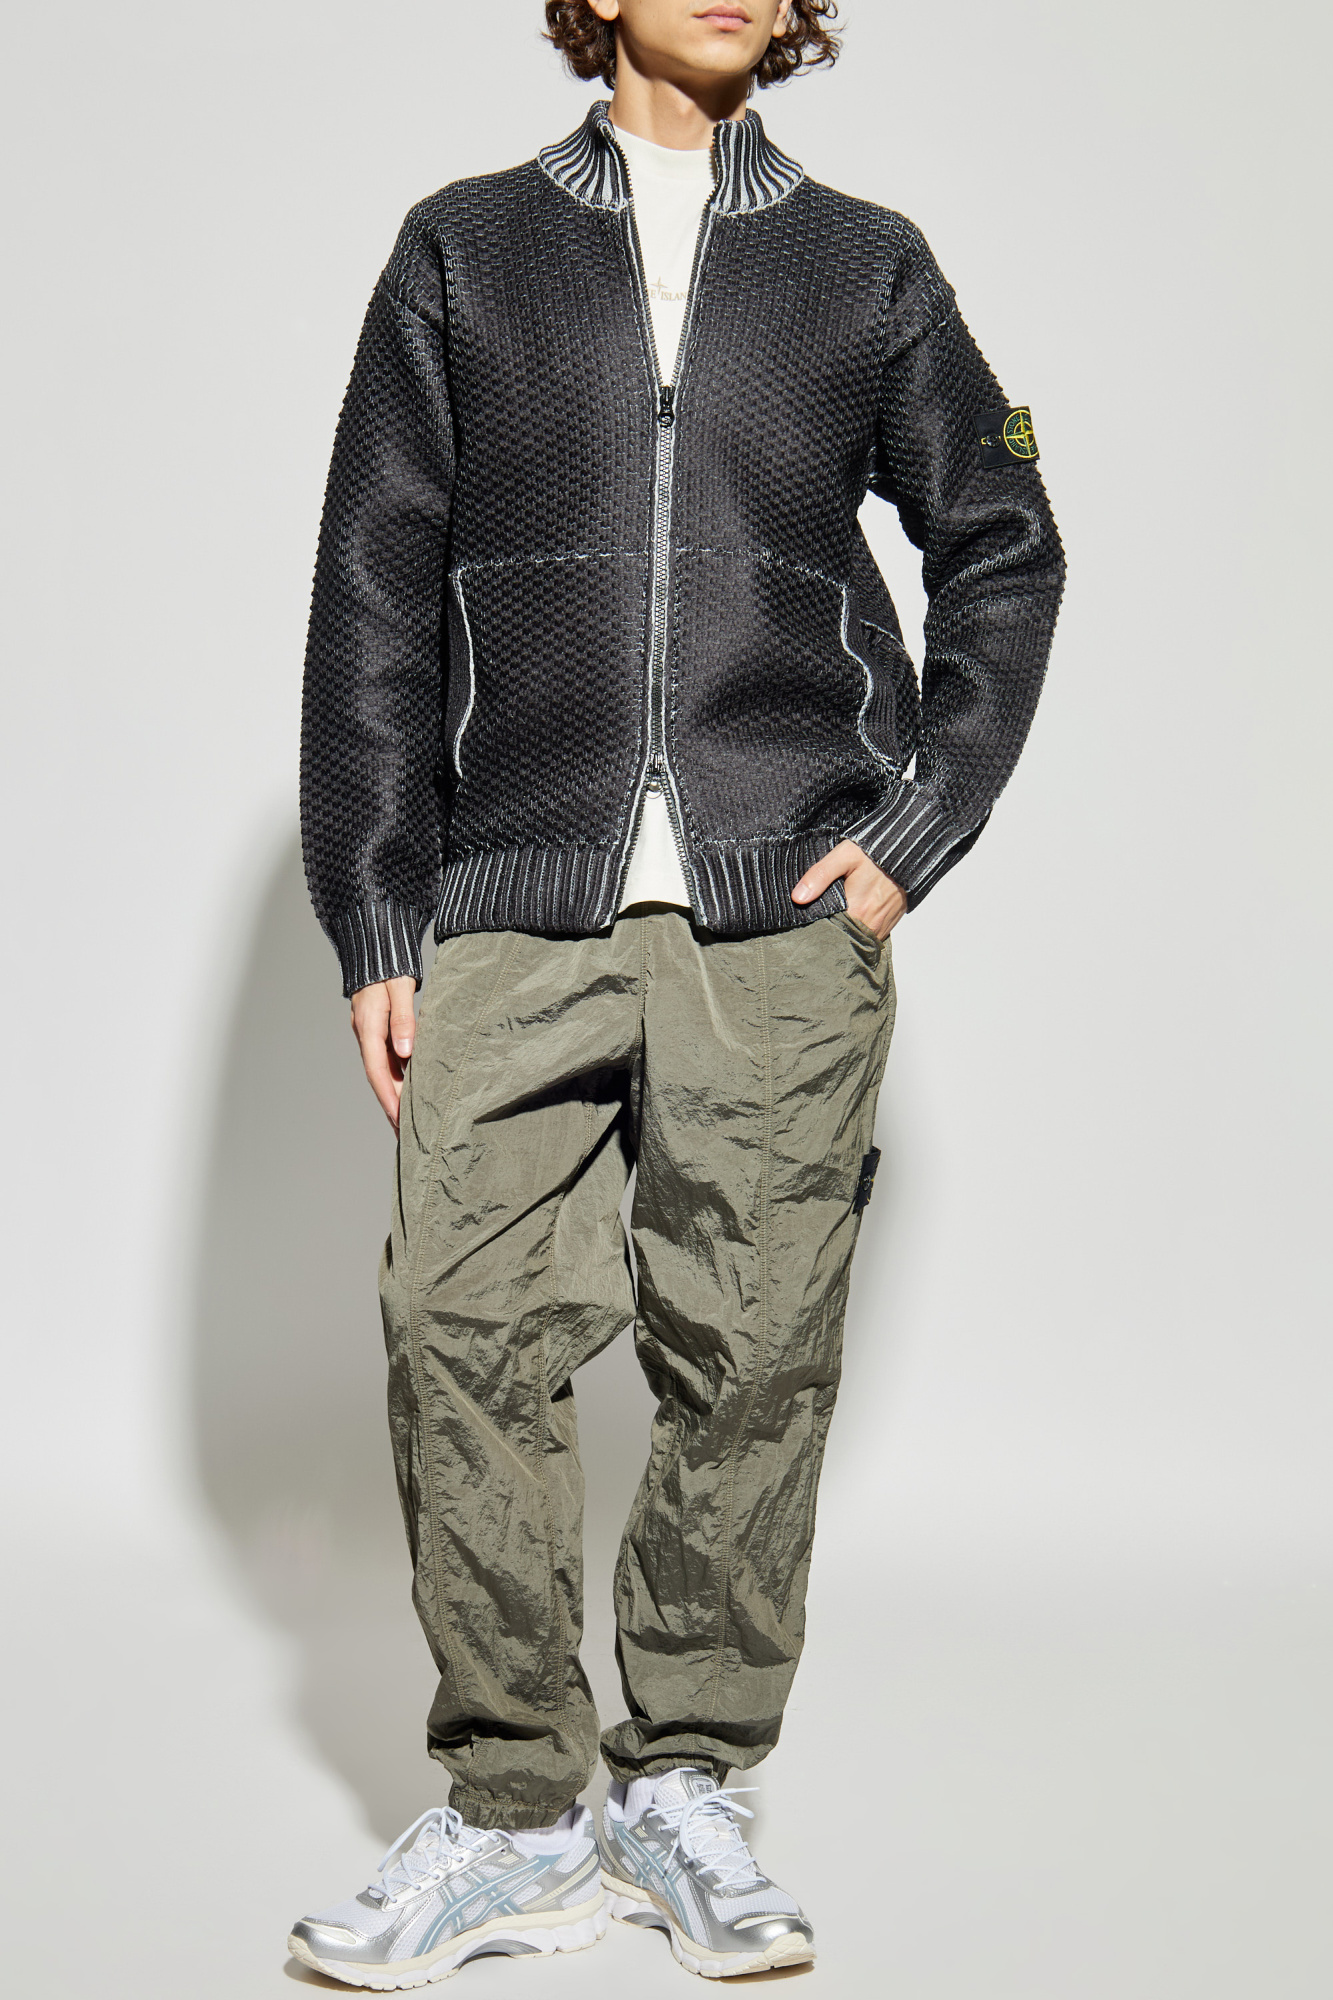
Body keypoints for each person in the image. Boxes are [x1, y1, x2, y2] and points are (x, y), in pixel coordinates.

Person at [289, 0, 1065, 1983]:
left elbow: (1001, 541)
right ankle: (515, 1812)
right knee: (458, 1327)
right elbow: (373, 598)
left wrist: (914, 829)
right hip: (511, 897)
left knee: (754, 1352)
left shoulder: (865, 266)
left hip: (779, 914)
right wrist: (374, 912)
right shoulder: (463, 250)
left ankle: (688, 1782)